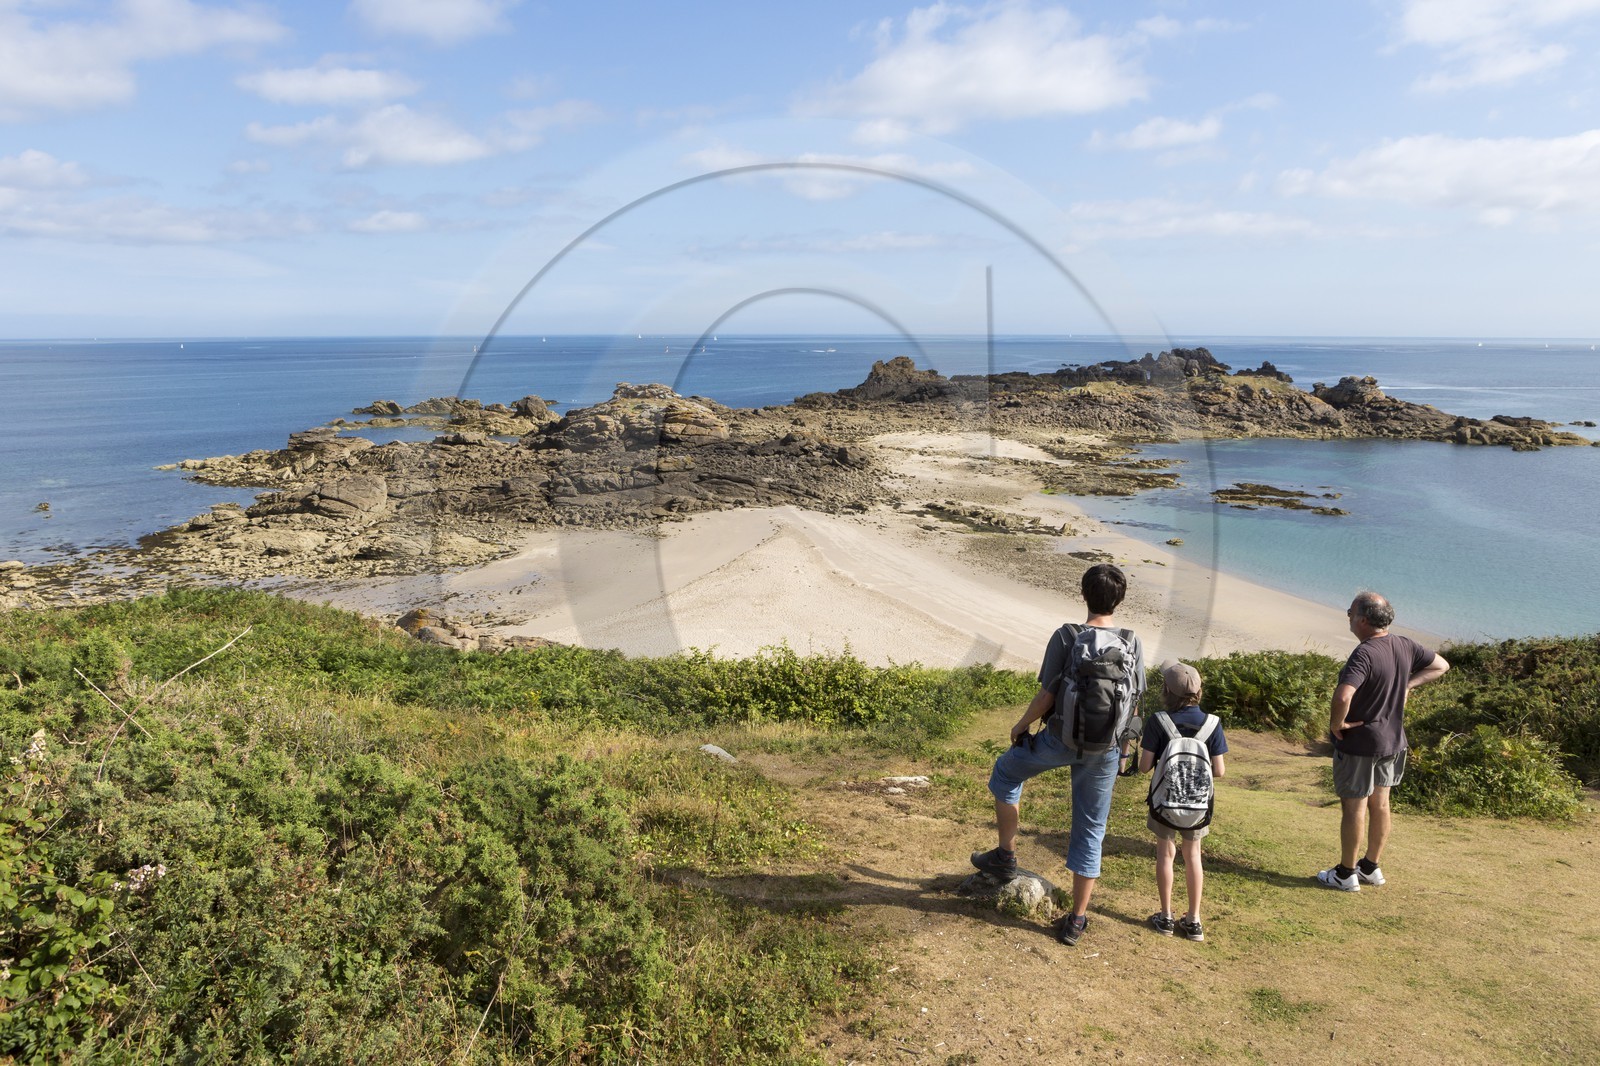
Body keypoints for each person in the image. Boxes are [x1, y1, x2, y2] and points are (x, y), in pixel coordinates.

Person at [970, 563, 1145, 946]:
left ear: (1083, 595)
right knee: (1090, 828)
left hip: (1059, 741)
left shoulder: (1067, 635)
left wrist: (1021, 726)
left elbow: (1048, 694)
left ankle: (1005, 856)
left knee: (1005, 774)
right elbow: (1133, 705)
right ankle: (1077, 920)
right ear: (1120, 599)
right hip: (1106, 751)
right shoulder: (1131, 641)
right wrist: (1124, 754)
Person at [1317, 591, 1449, 891]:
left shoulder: (1364, 653)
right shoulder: (1405, 644)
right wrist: (1407, 686)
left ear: (1363, 619)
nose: (1348, 615)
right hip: (1393, 742)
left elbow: (1343, 695)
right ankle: (1370, 867)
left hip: (1361, 743)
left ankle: (1345, 874)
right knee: (1381, 804)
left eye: (1350, 611)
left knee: (1354, 807)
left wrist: (1336, 725)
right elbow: (1441, 665)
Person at [1139, 660, 1227, 942]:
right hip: (1197, 805)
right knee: (1193, 857)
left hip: (1165, 802)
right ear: (1199, 690)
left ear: (1167, 690)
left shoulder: (1158, 721)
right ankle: (1194, 920)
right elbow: (1220, 771)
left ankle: (1165, 917)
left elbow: (1144, 766)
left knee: (1165, 854)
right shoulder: (1212, 724)